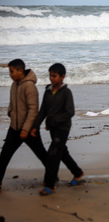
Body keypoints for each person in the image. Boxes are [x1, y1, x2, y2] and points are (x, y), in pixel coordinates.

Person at [31, 63, 84, 195]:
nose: (51, 78)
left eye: (54, 76)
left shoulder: (66, 92)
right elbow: (43, 111)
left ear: (62, 77)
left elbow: (70, 112)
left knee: (53, 154)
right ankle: (77, 173)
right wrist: (35, 126)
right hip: (52, 128)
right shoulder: (48, 91)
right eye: (50, 75)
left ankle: (49, 184)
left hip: (63, 128)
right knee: (62, 152)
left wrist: (55, 120)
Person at [0, 59, 47, 191]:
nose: (10, 74)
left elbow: (33, 110)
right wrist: (10, 112)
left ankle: (52, 177)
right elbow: (12, 102)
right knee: (4, 156)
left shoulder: (29, 86)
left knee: (42, 155)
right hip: (14, 128)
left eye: (12, 71)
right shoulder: (14, 84)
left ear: (20, 71)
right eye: (9, 71)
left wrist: (26, 129)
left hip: (29, 130)